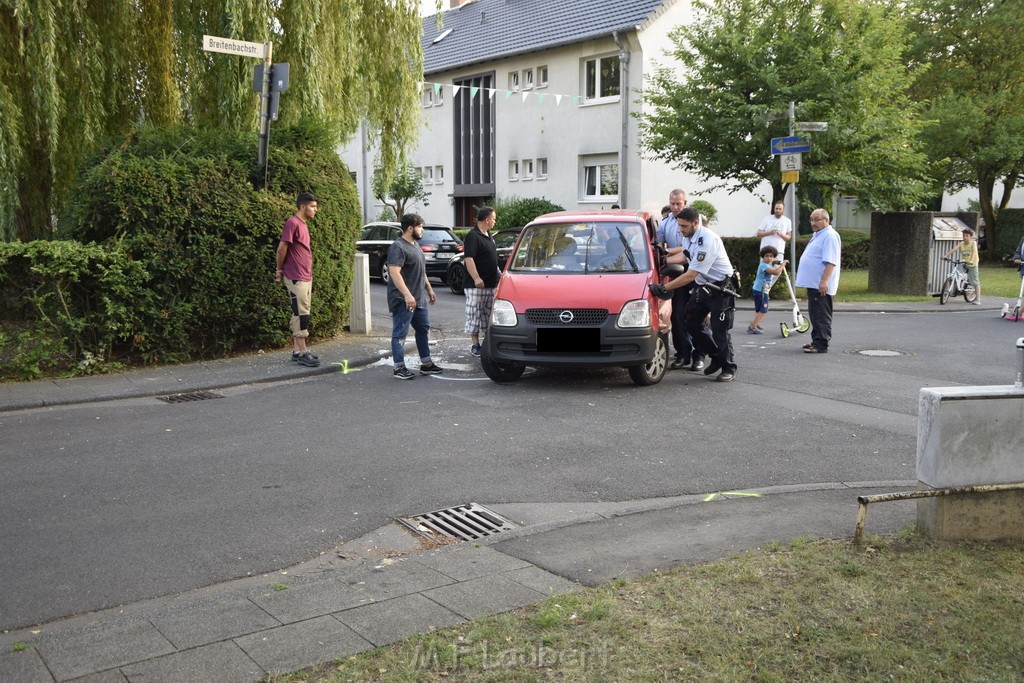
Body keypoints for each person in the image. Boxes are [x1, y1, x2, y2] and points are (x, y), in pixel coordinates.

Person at [653, 207, 737, 382]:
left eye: (684, 226)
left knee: (720, 330)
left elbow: (691, 274)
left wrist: (664, 288)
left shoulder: (708, 240)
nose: (680, 230)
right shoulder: (689, 237)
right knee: (689, 321)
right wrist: (661, 261)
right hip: (704, 286)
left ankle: (728, 367)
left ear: (695, 223)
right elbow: (685, 255)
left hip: (721, 288)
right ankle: (716, 356)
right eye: (679, 225)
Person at [387, 213, 443, 379]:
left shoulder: (415, 245)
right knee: (400, 333)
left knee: (423, 329)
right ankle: (399, 368)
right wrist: (407, 295)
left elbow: (421, 270)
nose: (422, 230)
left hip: (418, 298)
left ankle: (426, 364)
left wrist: (429, 289)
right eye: (420, 227)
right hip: (403, 299)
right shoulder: (398, 247)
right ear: (410, 228)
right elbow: (394, 272)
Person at [656, 189, 705, 371]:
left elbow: (687, 253)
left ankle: (699, 355)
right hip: (676, 271)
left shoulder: (694, 221)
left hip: (696, 271)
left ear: (685, 203)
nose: (675, 207)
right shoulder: (665, 223)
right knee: (677, 314)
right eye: (672, 203)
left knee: (696, 314)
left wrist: (666, 255)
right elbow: (659, 246)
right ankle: (683, 353)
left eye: (679, 204)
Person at [275, 192, 320, 367]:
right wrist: (279, 270)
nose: (315, 209)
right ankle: (303, 352)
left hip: (305, 275)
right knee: (301, 314)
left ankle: (296, 351)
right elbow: (281, 249)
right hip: (295, 277)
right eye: (312, 206)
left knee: (300, 312)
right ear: (303, 206)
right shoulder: (292, 223)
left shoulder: (303, 224)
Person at [795, 208, 841, 354]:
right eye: (812, 220)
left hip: (820, 284)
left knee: (821, 314)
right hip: (814, 283)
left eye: (817, 220)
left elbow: (831, 261)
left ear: (826, 220)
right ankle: (816, 340)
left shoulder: (829, 236)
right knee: (815, 313)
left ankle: (821, 344)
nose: (813, 223)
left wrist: (824, 281)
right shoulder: (819, 235)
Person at [463, 206, 501, 357]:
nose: (495, 221)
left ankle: (487, 344)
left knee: (488, 315)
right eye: (494, 218)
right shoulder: (473, 236)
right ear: (487, 219)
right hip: (476, 286)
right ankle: (475, 345)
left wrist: (498, 274)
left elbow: (492, 259)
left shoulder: (489, 234)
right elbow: (469, 258)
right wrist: (476, 278)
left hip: (491, 284)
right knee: (475, 314)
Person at [746, 246, 788, 334]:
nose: (769, 258)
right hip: (761, 291)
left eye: (771, 256)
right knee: (763, 309)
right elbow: (776, 272)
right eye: (767, 256)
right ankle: (752, 327)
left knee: (759, 309)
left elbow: (771, 265)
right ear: (762, 257)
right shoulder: (764, 266)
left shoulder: (767, 264)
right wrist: (783, 264)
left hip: (760, 290)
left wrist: (775, 262)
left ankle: (755, 324)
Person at [942, 228, 981, 305]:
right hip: (963, 263)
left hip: (972, 264)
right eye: (964, 236)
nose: (965, 237)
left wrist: (971, 260)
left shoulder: (973, 243)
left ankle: (978, 299)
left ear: (971, 237)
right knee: (955, 273)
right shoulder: (961, 244)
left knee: (975, 282)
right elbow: (953, 249)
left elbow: (974, 252)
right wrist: (945, 256)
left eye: (967, 236)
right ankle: (955, 289)